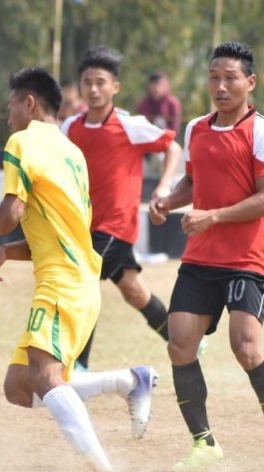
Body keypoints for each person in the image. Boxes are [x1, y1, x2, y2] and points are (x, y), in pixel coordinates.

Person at [0, 67, 158, 472]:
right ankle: (130, 381)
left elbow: (7, 216)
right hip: (77, 280)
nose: (8, 119)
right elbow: (58, 227)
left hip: (61, 283)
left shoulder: (22, 142)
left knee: (45, 374)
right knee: (19, 386)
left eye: (10, 108)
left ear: (29, 104)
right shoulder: (71, 151)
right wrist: (9, 250)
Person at [150, 42, 264, 472]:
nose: (220, 85)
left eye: (230, 77)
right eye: (214, 77)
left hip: (246, 260)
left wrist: (213, 216)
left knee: (245, 347)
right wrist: (166, 201)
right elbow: (192, 185)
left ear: (250, 82)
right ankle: (204, 443)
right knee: (180, 345)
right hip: (200, 259)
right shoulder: (196, 128)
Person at [62, 46, 182, 371]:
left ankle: (79, 367)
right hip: (83, 227)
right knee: (133, 291)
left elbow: (173, 147)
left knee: (82, 281)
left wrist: (163, 186)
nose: (94, 89)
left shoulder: (130, 125)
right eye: (87, 82)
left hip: (116, 228)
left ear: (115, 87)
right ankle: (184, 341)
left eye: (101, 82)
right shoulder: (70, 127)